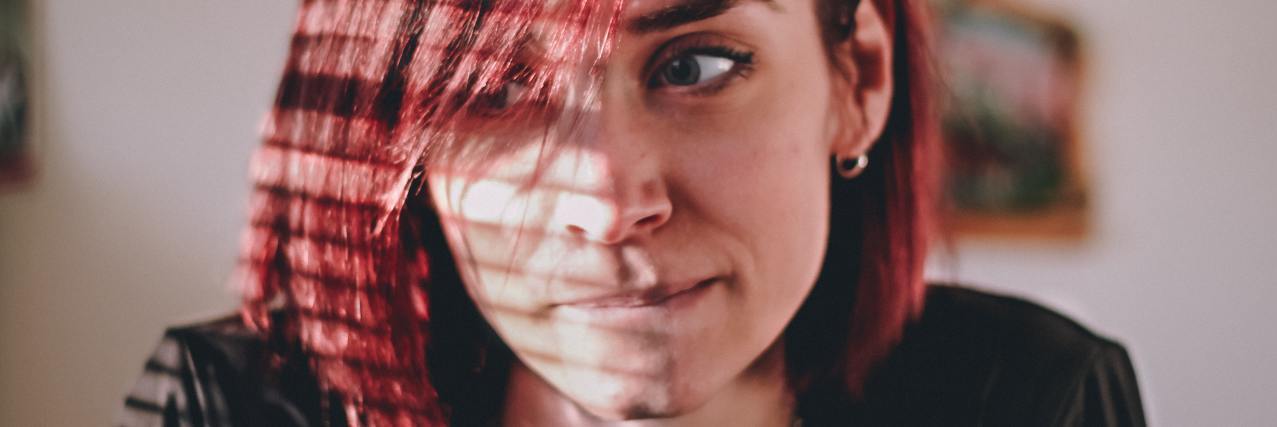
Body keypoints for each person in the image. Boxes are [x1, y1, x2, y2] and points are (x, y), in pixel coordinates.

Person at [118, 0, 1146, 425]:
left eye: (696, 65)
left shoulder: (1032, 400)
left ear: (857, 78)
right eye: (491, 93)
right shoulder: (243, 409)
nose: (609, 202)